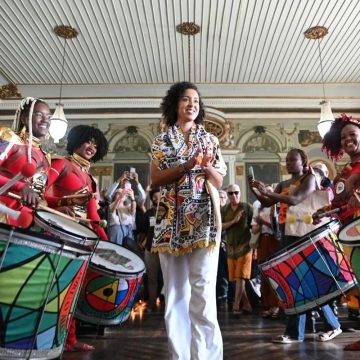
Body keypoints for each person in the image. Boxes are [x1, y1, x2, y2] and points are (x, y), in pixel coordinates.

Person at [150, 81, 226, 359]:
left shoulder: (211, 140)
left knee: (204, 294)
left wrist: (206, 167)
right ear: (175, 105)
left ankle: (206, 356)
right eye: (185, 99)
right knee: (175, 296)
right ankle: (179, 356)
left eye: (195, 100)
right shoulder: (161, 139)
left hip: (204, 220)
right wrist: (185, 165)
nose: (192, 104)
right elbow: (155, 179)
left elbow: (219, 180)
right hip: (169, 221)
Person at [250, 148, 342, 344]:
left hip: (304, 234)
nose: (289, 163)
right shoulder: (283, 183)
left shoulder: (308, 179)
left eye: (293, 160)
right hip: (287, 235)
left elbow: (295, 200)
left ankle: (323, 327)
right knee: (296, 283)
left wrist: (269, 192)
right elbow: (267, 203)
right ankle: (303, 331)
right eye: (287, 160)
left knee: (307, 282)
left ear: (303, 161)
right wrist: (256, 191)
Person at [45, 124, 109, 352]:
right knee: (54, 289)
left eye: (95, 144)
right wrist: (62, 206)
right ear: (76, 141)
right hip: (56, 233)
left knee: (74, 289)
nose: (91, 146)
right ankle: (48, 340)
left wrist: (108, 247)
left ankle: (69, 340)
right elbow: (40, 193)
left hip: (81, 239)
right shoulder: (61, 164)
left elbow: (93, 217)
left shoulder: (90, 179)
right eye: (87, 141)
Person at [316, 114, 360, 351]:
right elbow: (341, 199)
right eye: (343, 137)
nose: (348, 139)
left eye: (352, 134)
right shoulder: (346, 168)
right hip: (349, 231)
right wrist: (325, 209)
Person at [0, 97, 51, 223]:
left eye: (48, 116)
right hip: (4, 214)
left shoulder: (45, 157)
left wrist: (62, 204)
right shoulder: (11, 140)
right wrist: (21, 186)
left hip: (29, 220)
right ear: (24, 118)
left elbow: (42, 195)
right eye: (39, 114)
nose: (45, 120)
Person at [221, 184, 253, 315]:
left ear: (240, 193)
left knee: (240, 276)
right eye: (231, 193)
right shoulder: (225, 210)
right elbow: (220, 226)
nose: (234, 195)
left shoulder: (247, 207)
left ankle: (236, 306)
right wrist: (234, 221)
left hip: (245, 246)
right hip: (231, 248)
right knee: (235, 277)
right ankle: (247, 305)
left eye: (236, 192)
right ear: (227, 196)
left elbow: (253, 226)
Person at [251, 185, 280, 318]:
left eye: (269, 192)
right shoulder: (257, 205)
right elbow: (255, 229)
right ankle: (267, 304)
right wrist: (260, 223)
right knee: (264, 273)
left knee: (275, 273)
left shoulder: (276, 205)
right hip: (262, 240)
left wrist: (263, 221)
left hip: (275, 241)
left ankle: (277, 305)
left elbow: (278, 228)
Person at [139, 187, 163, 312]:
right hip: (150, 248)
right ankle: (152, 303)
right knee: (152, 277)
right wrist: (141, 243)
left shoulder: (169, 212)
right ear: (152, 199)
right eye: (155, 198)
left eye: (160, 198)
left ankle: (166, 304)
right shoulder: (148, 213)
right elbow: (143, 231)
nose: (157, 200)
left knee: (167, 278)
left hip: (166, 250)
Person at [216, 189, 230, 306]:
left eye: (223, 197)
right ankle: (219, 295)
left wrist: (224, 241)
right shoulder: (214, 211)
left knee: (227, 272)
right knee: (218, 273)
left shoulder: (230, 211)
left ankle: (227, 296)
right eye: (219, 197)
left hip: (227, 245)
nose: (221, 199)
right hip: (215, 245)